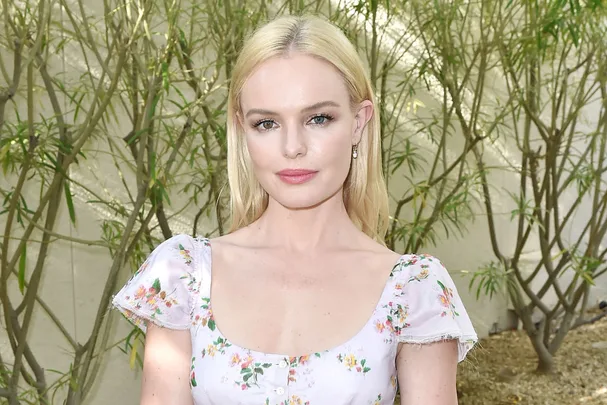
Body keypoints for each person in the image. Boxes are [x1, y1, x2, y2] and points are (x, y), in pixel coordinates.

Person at [112, 14, 478, 405]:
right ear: (242, 130)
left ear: (358, 123)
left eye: (318, 118)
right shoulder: (183, 274)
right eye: (267, 123)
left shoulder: (414, 289)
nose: (292, 147)